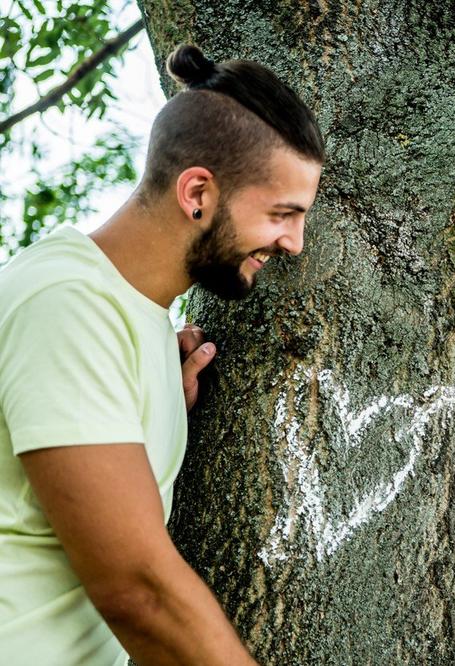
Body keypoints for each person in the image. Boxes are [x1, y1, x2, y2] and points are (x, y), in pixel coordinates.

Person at [0, 44, 324, 664]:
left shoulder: (139, 324)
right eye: (282, 214)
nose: (294, 242)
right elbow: (138, 588)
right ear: (197, 192)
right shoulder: (68, 303)